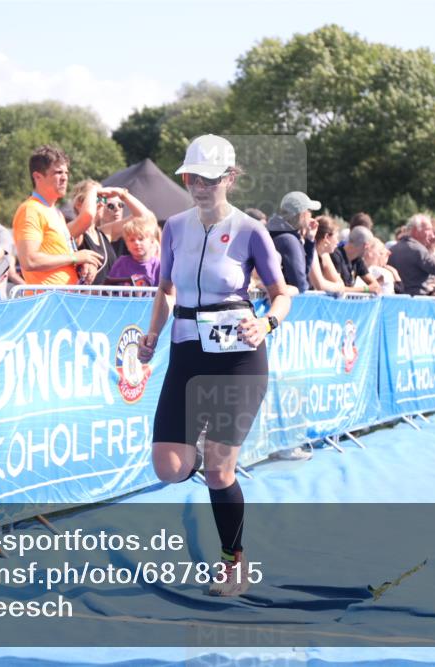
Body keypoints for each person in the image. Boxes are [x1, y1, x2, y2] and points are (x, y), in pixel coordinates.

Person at [136, 135, 291, 597]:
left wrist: (266, 324)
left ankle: (233, 563)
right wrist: (152, 336)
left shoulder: (250, 230)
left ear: (229, 178)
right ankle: (202, 453)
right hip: (186, 353)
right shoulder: (175, 227)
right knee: (168, 466)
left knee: (222, 473)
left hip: (238, 359)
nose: (198, 186)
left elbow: (283, 293)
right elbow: (164, 288)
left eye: (207, 178)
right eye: (190, 177)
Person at [13, 145, 103, 287]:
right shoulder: (30, 210)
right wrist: (75, 257)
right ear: (37, 177)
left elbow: (61, 256)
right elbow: (29, 260)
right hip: (48, 301)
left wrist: (81, 264)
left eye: (66, 173)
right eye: (58, 172)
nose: (64, 178)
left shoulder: (57, 213)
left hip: (63, 299)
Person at [265, 191, 320, 295]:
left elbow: (302, 274)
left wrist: (310, 240)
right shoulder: (289, 241)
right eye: (310, 211)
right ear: (303, 214)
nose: (312, 215)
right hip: (287, 306)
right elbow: (301, 285)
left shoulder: (277, 234)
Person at [387, 214, 435, 296]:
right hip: (419, 300)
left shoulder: (393, 248)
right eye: (428, 229)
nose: (431, 234)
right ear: (416, 231)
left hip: (399, 299)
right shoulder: (419, 250)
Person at [107, 216, 161, 286]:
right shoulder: (121, 263)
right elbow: (108, 286)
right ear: (126, 244)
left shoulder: (158, 266)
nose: (136, 243)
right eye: (132, 240)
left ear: (152, 241)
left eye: (141, 239)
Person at [329, 226, 382, 293]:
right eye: (370, 247)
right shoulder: (335, 256)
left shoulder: (357, 260)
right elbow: (338, 288)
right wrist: (366, 289)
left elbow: (375, 286)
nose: (369, 251)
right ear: (365, 246)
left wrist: (370, 288)